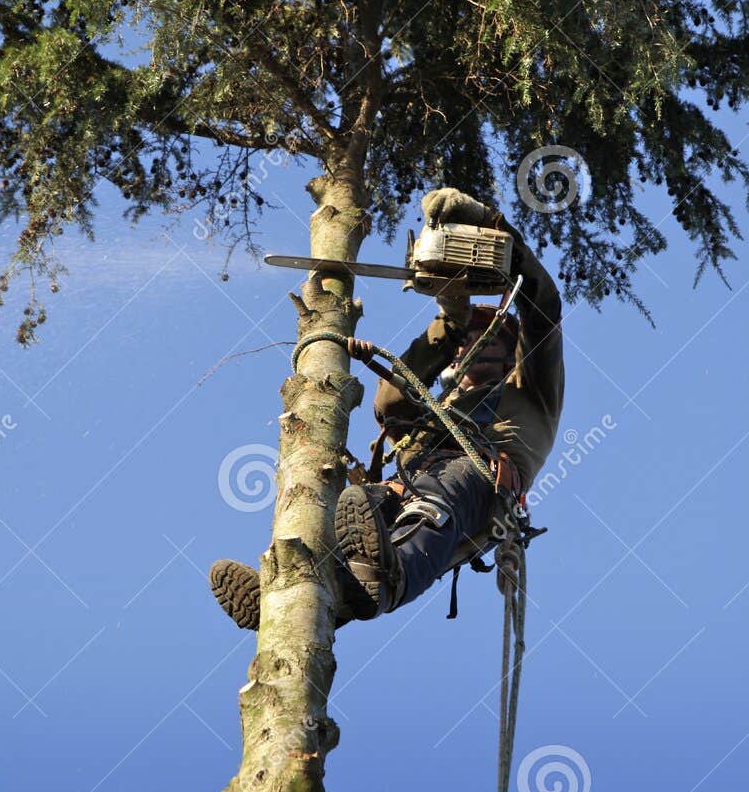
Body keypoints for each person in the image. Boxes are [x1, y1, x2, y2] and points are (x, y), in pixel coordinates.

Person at [208, 187, 564, 630]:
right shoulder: (441, 406)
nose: (477, 345)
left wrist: (494, 227)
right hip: (406, 482)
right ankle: (293, 591)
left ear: (513, 351)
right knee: (349, 525)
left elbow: (544, 308)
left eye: (490, 338)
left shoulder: (532, 393)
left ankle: (386, 581)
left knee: (428, 511)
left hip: (476, 483)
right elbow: (391, 405)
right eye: (468, 340)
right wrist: (450, 320)